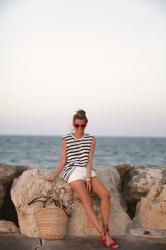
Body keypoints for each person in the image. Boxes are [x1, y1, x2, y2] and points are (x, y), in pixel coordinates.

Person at [41, 109, 119, 248]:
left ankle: (105, 228)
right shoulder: (66, 139)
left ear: (86, 124)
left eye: (82, 125)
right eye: (77, 125)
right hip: (72, 171)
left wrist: (88, 177)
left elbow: (89, 160)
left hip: (86, 170)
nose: (79, 128)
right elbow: (63, 160)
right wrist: (53, 175)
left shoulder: (91, 139)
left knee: (106, 195)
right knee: (87, 200)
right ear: (73, 124)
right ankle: (105, 236)